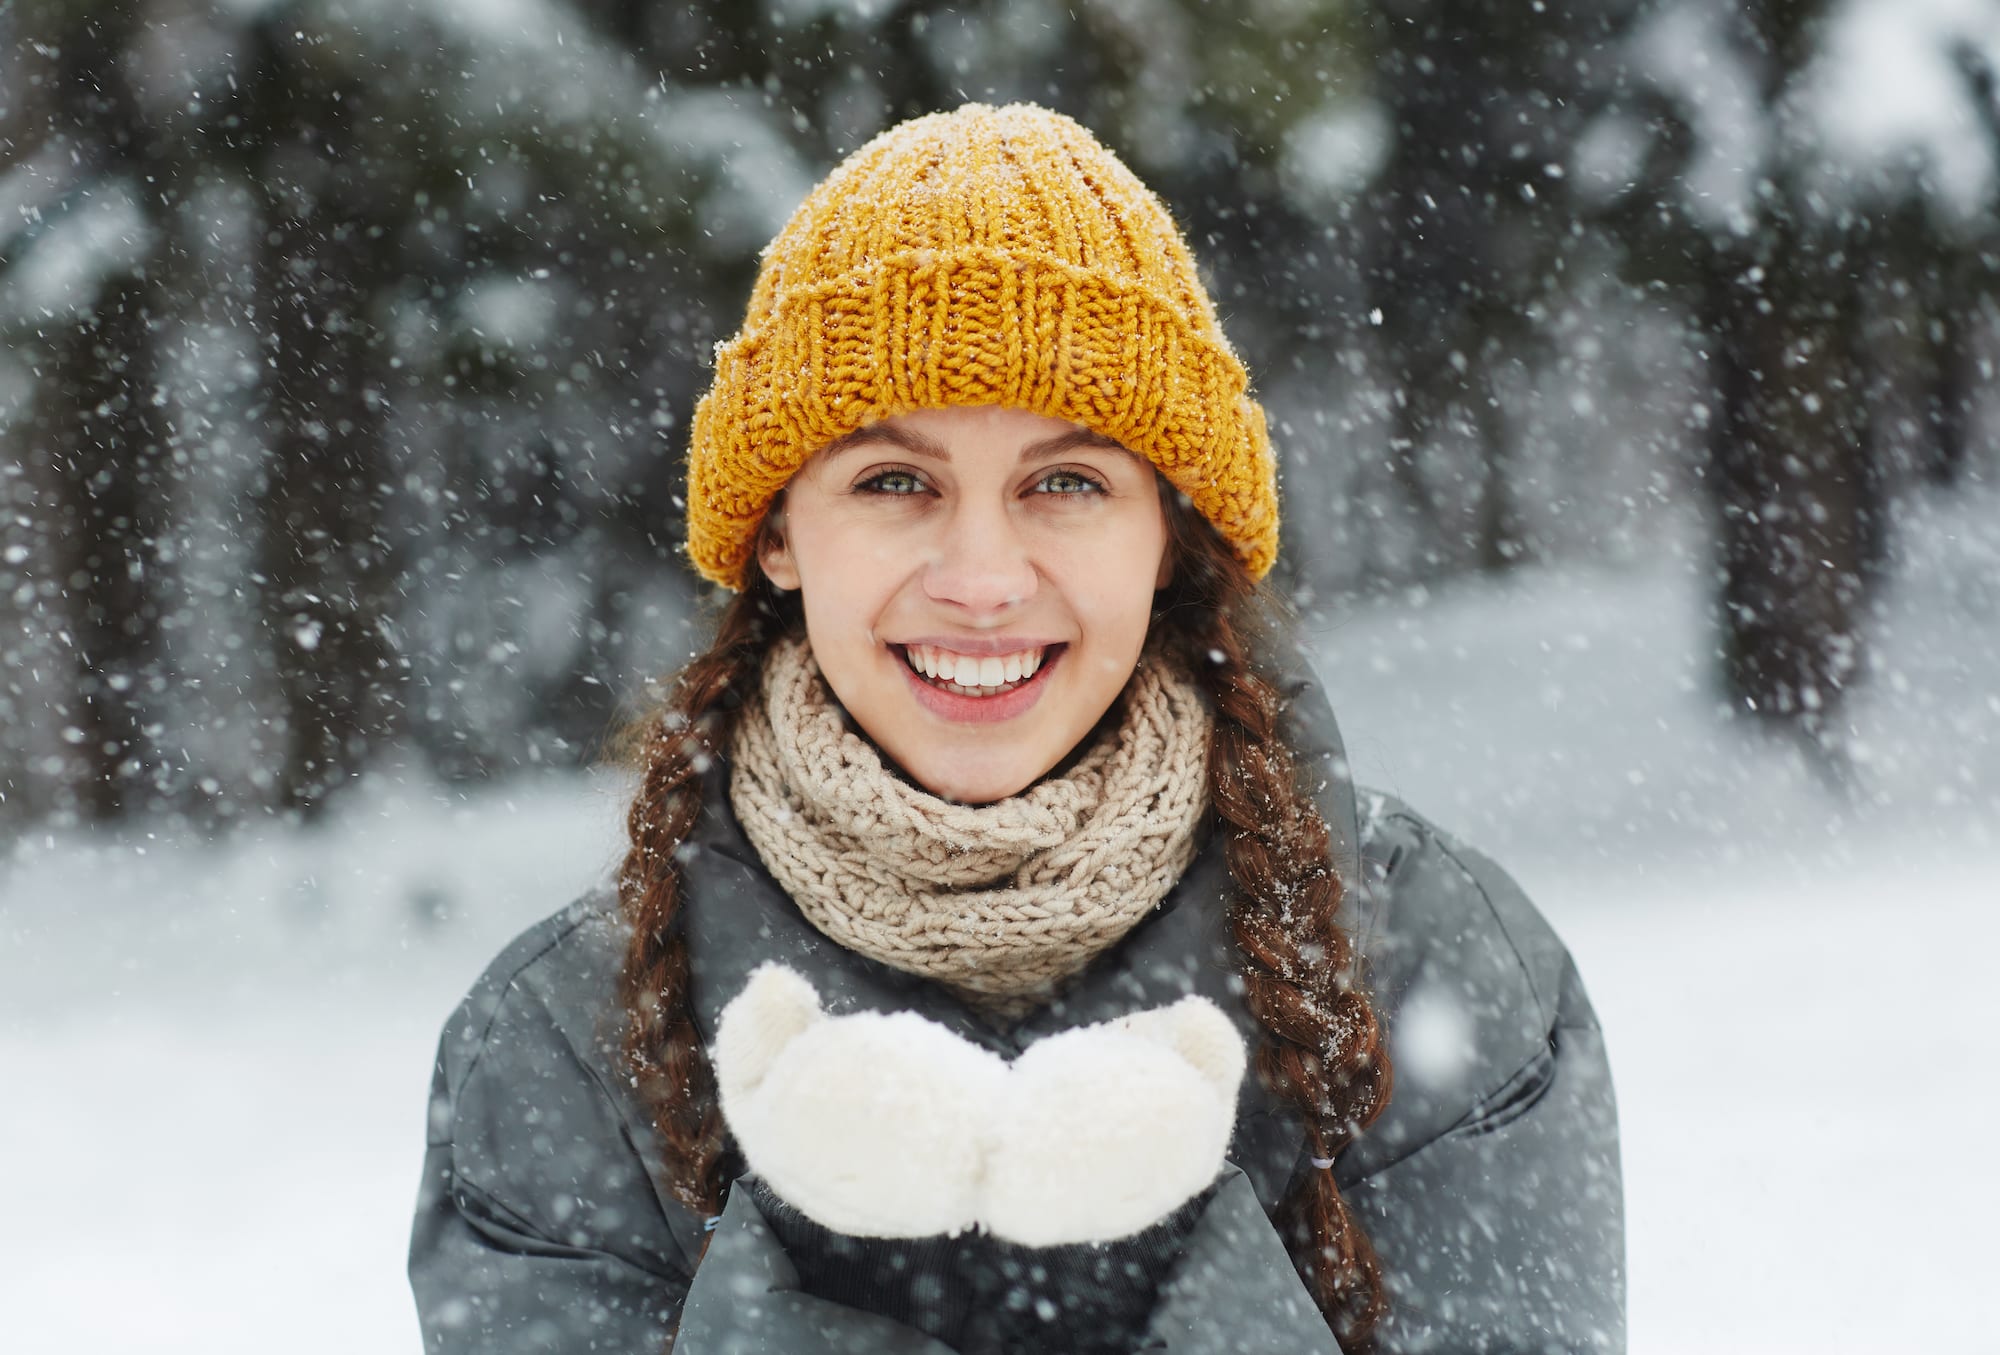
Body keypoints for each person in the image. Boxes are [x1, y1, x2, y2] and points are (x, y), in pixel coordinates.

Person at [407, 101, 1624, 1354]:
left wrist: (1139, 1241)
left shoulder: (1429, 969)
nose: (981, 576)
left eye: (1066, 483)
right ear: (777, 532)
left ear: (1167, 537)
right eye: (893, 482)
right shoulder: (564, 1042)